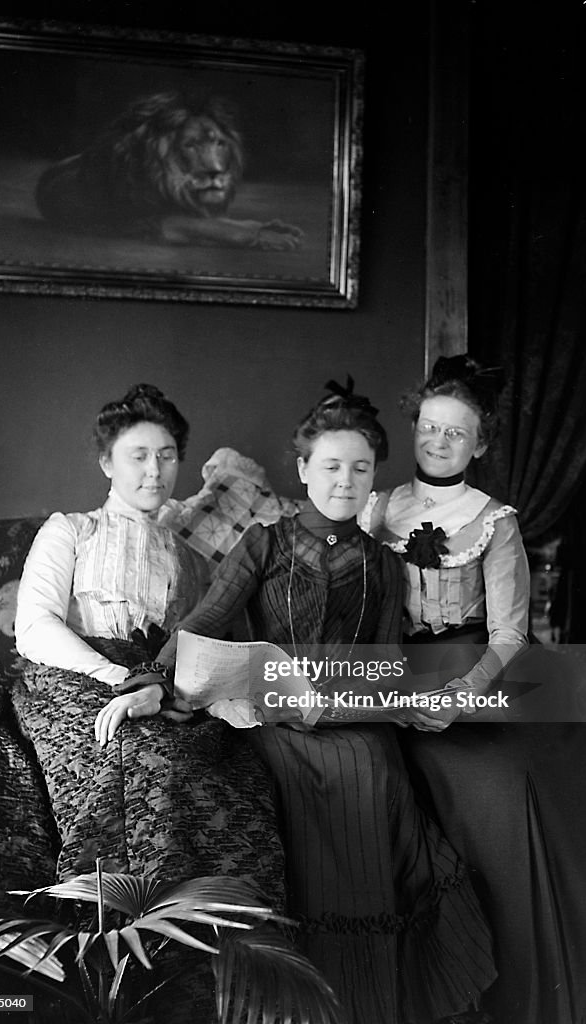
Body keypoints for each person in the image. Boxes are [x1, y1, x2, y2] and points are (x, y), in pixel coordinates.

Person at [124, 379, 498, 1024]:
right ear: (303, 470)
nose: (345, 482)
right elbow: (207, 620)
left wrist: (406, 702)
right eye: (330, 467)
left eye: (359, 469)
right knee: (294, 790)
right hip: (277, 724)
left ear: (373, 477)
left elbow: (386, 662)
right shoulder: (264, 544)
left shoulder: (382, 563)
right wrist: (155, 680)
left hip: (358, 726)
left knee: (377, 775)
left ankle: (370, 1002)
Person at [366, 354, 586, 1024]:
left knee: (510, 778)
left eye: (456, 432)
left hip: (482, 673)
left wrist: (456, 701)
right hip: (393, 671)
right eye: (430, 428)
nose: (438, 441)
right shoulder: (377, 508)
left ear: (481, 445)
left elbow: (507, 638)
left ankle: (529, 980)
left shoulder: (495, 522)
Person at [12, 384, 285, 902]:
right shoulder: (72, 529)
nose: (154, 472)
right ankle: (121, 930)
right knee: (146, 757)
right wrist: (118, 678)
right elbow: (34, 626)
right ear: (105, 462)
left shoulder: (191, 557)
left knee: (240, 776)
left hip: (163, 686)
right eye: (138, 457)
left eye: (166, 456)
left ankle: (216, 945)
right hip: (72, 677)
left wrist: (160, 685)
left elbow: (200, 647)